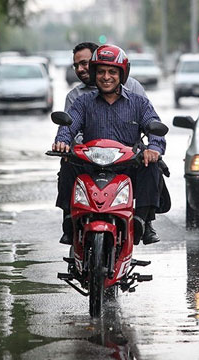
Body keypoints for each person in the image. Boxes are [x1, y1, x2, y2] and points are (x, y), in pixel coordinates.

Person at [53, 44, 165, 246]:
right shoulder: (82, 102)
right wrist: (62, 142)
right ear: (94, 73)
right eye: (101, 72)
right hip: (90, 166)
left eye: (112, 72)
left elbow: (154, 127)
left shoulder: (139, 103)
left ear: (122, 74)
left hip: (128, 166)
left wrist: (154, 149)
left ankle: (142, 221)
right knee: (67, 162)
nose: (106, 77)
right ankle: (69, 219)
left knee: (153, 167)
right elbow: (68, 126)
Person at [64, 42, 146, 112]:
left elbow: (149, 119)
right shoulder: (75, 97)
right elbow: (68, 128)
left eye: (84, 63)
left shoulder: (133, 87)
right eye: (76, 66)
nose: (80, 69)